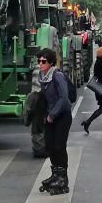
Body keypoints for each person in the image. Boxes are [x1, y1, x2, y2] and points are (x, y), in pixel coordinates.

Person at [37, 48, 73, 195]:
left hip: (62, 116)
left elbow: (64, 99)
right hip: (50, 117)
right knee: (50, 146)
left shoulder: (57, 76)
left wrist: (52, 114)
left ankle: (63, 179)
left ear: (51, 62)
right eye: (39, 61)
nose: (40, 64)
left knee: (59, 146)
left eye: (43, 61)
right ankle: (56, 175)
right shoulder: (42, 76)